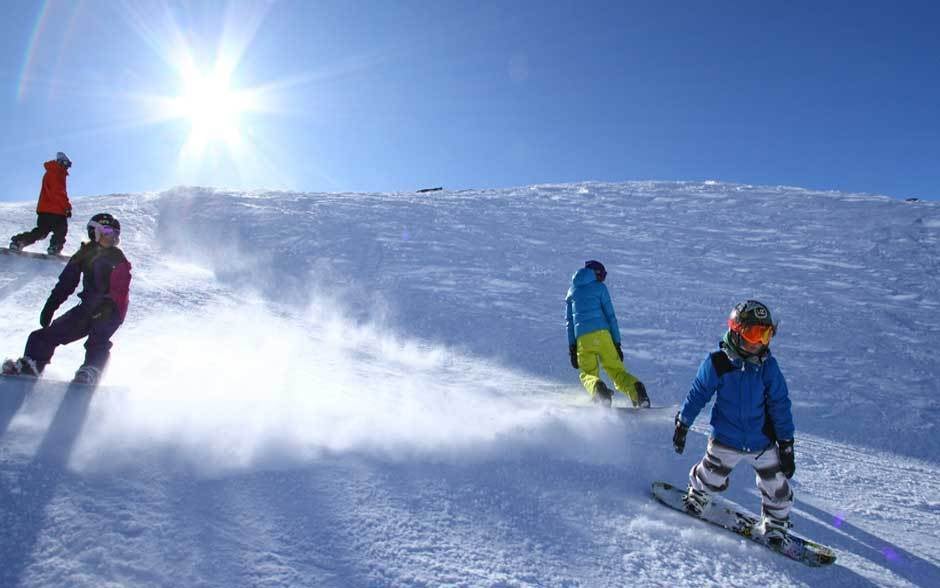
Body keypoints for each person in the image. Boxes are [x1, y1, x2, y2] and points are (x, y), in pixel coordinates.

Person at [672, 300, 796, 544]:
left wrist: (786, 443)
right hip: (725, 437)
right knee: (712, 473)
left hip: (761, 441)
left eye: (766, 335)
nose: (759, 342)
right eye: (754, 334)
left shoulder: (768, 368)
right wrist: (683, 423)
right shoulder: (718, 363)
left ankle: (776, 522)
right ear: (737, 332)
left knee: (776, 484)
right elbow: (698, 393)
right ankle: (698, 494)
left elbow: (780, 405)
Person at [2, 213, 131, 385]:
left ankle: (91, 370)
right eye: (107, 232)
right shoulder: (84, 253)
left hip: (110, 312)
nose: (112, 237)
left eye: (116, 234)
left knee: (98, 341)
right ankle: (30, 365)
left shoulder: (117, 258)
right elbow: (67, 282)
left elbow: (121, 291)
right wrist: (51, 305)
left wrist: (108, 308)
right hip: (86, 310)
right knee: (42, 337)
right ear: (94, 232)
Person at [565, 260, 650, 407]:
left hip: (583, 340)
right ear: (596, 274)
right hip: (604, 335)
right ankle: (638, 392)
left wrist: (572, 348)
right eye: (602, 276)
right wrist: (617, 343)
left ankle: (599, 391)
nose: (602, 280)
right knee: (616, 370)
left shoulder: (571, 292)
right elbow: (611, 317)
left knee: (588, 373)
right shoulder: (600, 288)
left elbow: (570, 324)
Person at [8, 152, 73, 255]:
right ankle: (55, 247)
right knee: (61, 230)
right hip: (56, 210)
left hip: (44, 210)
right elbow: (59, 192)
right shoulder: (57, 172)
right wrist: (67, 207)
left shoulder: (51, 171)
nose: (67, 167)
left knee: (42, 231)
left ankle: (19, 242)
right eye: (66, 164)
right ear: (61, 162)